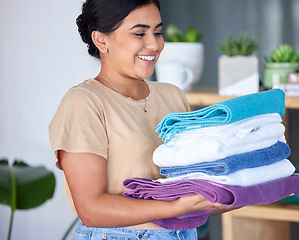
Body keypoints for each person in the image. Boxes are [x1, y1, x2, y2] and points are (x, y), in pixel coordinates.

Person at [49, 0, 234, 239]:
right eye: (140, 33)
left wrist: (237, 192)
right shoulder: (84, 102)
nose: (155, 44)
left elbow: (192, 187)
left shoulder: (173, 96)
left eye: (158, 31)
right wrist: (175, 209)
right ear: (101, 40)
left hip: (183, 232)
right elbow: (91, 209)